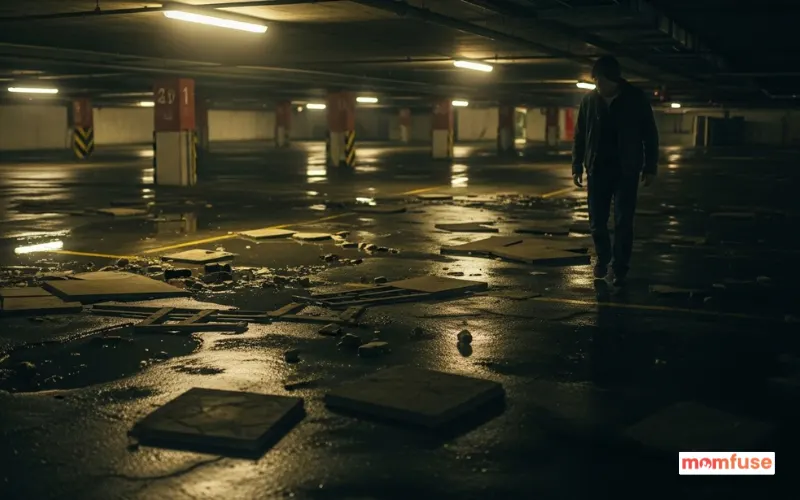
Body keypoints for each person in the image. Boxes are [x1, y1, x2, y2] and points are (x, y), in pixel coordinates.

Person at [572, 55, 659, 286]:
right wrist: (577, 165)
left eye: (599, 80)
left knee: (623, 221)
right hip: (597, 169)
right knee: (596, 221)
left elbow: (649, 134)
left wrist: (650, 167)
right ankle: (603, 256)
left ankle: (620, 267)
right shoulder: (589, 101)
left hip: (626, 170)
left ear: (612, 79)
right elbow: (580, 135)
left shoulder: (635, 99)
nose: (597, 85)